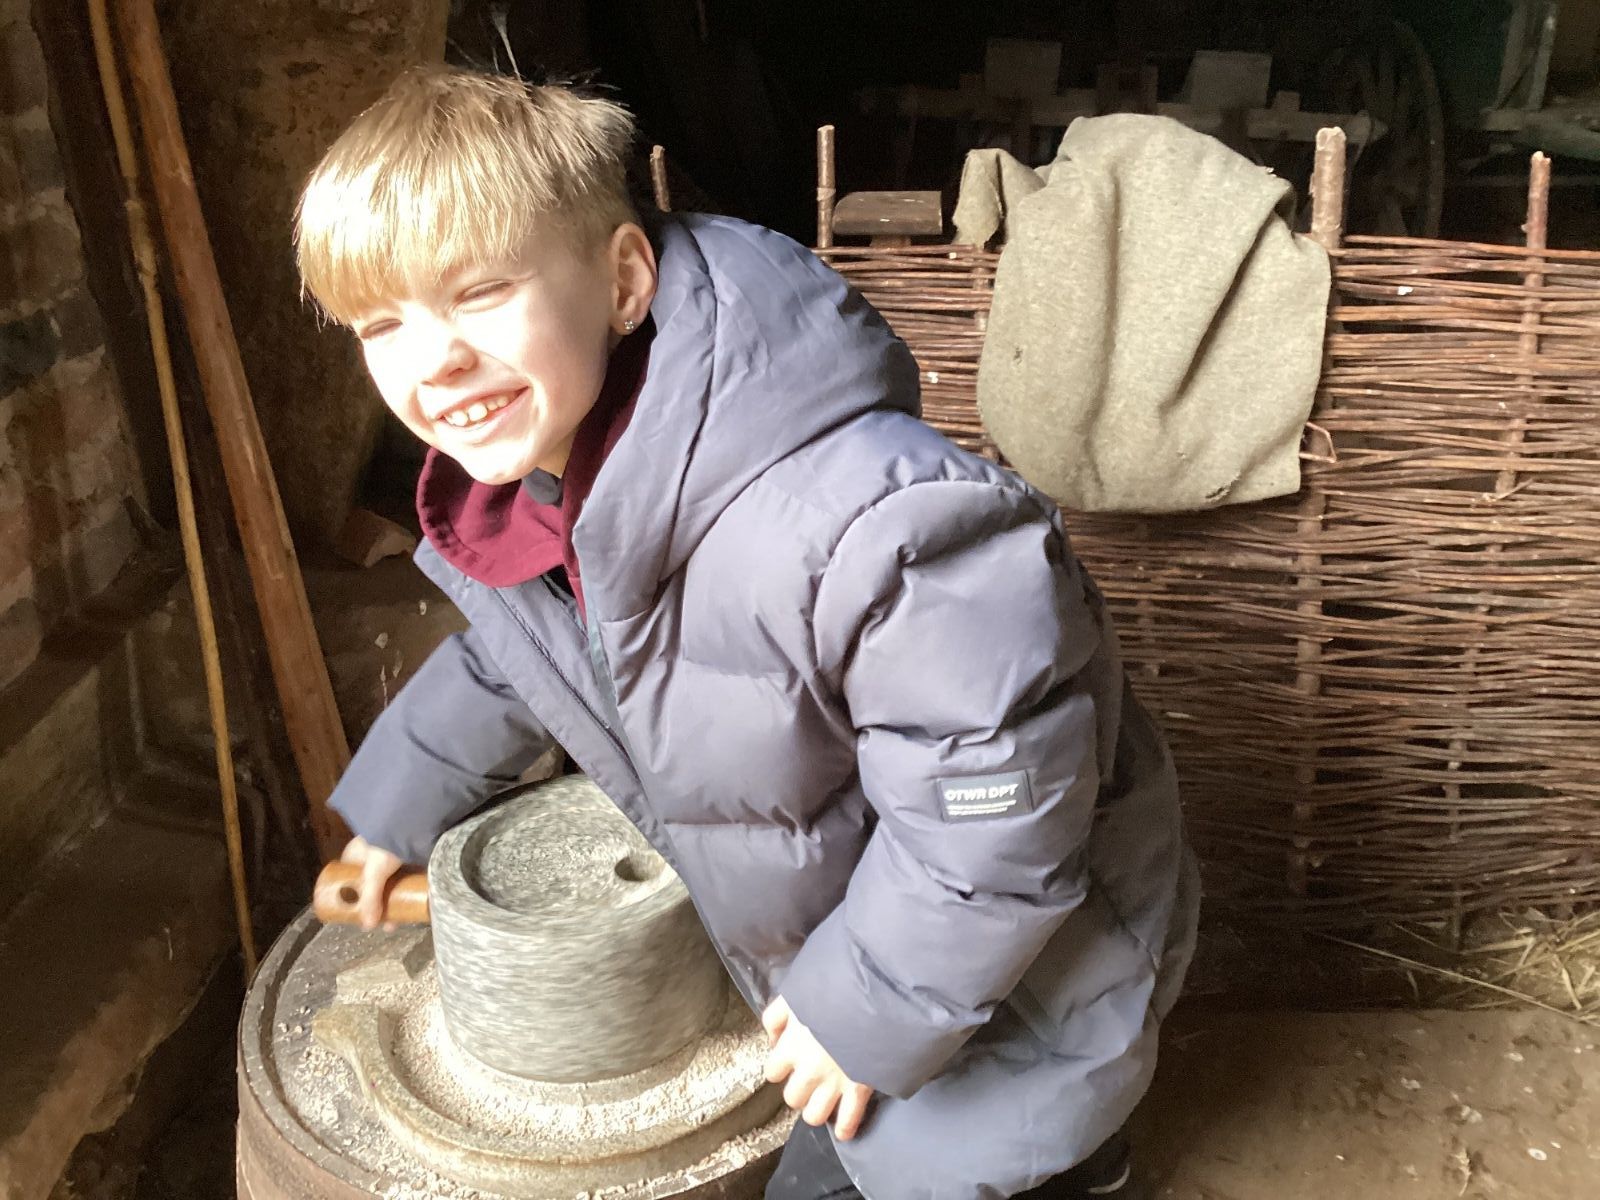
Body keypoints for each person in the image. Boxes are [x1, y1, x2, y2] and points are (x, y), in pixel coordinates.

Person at [296, 65, 1199, 1200]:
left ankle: (1078, 1162)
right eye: (383, 324)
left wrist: (857, 1015)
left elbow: (997, 821)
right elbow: (518, 653)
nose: (433, 361)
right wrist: (396, 815)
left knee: (989, 1146)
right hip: (867, 946)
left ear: (625, 280)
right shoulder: (562, 484)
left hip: (1013, 987)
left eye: (479, 293)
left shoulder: (886, 527)